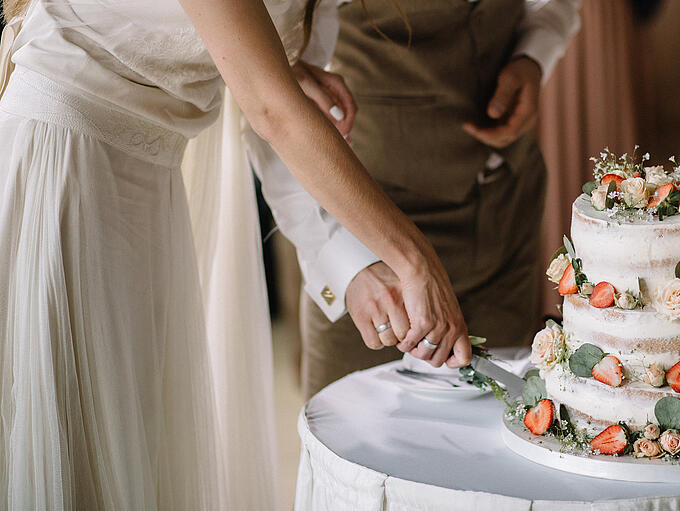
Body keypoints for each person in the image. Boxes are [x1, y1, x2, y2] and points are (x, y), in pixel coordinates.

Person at [0, 0, 471, 508]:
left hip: (151, 188)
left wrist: (354, 267)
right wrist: (415, 259)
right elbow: (273, 110)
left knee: (132, 454)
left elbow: (280, 114)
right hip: (66, 161)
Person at [284, 0, 581, 399]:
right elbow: (273, 103)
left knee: (499, 437)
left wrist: (534, 54)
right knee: (355, 446)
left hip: (506, 216)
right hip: (370, 246)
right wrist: (346, 260)